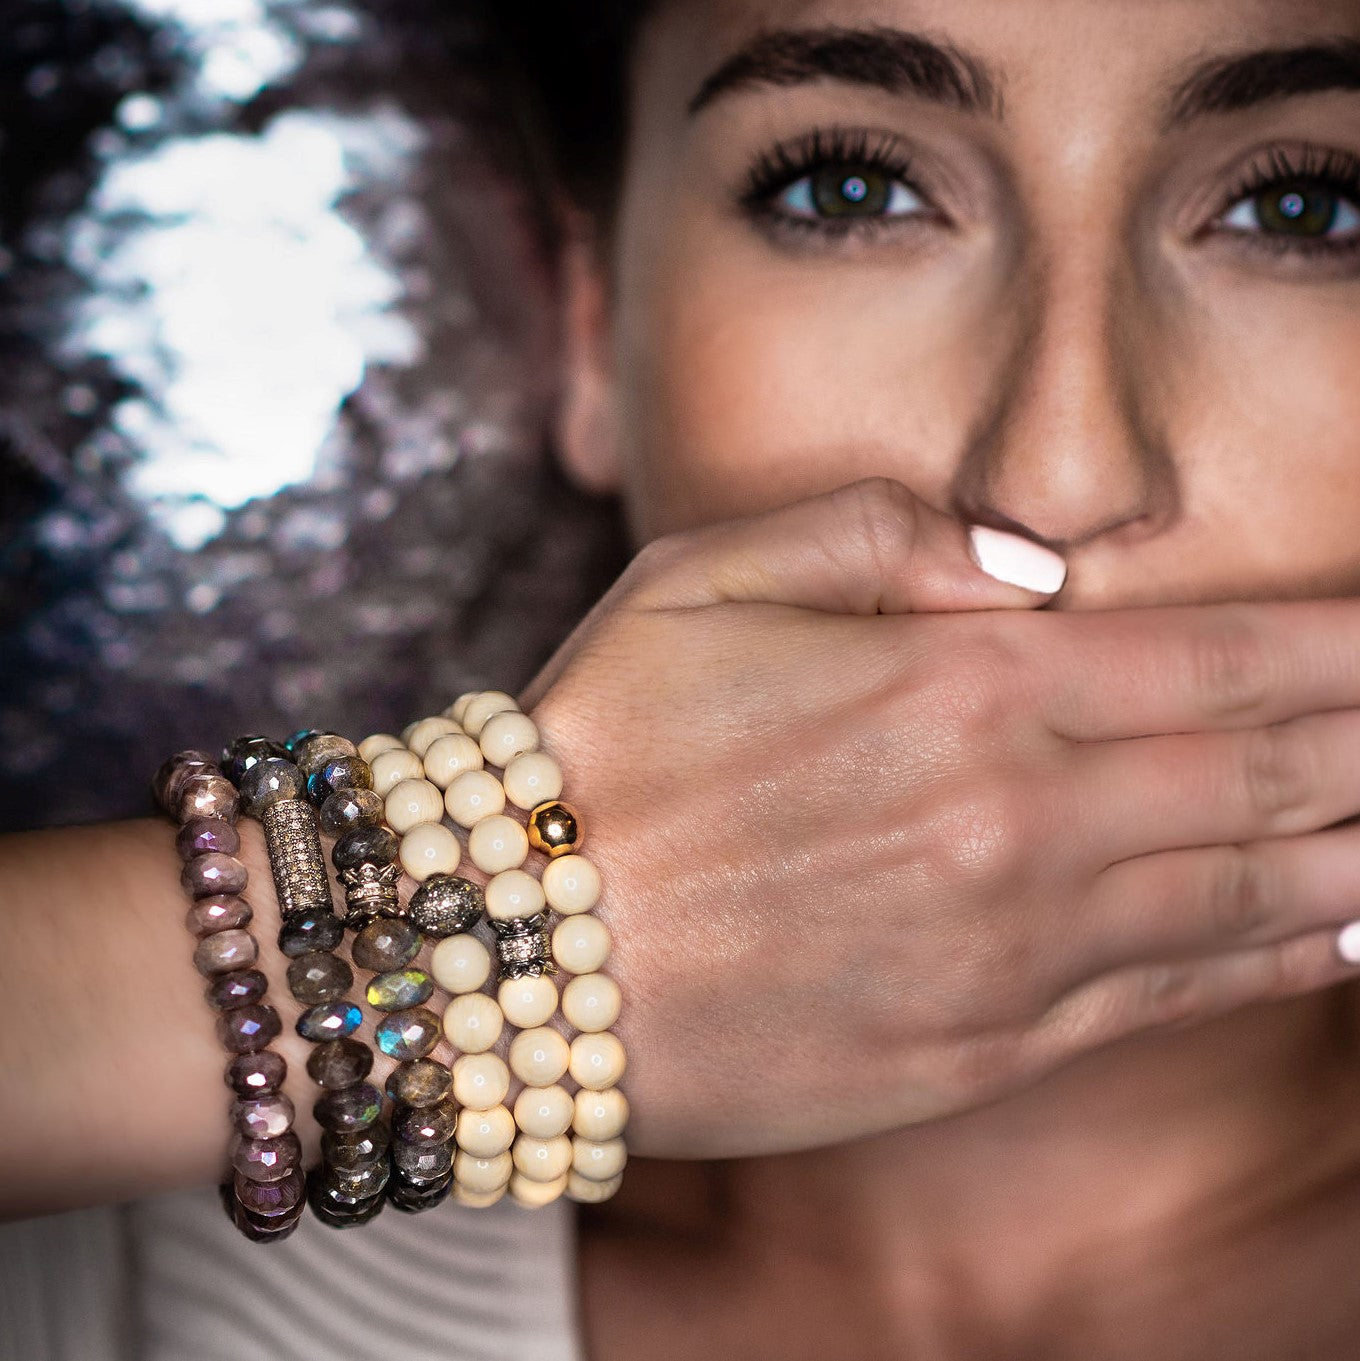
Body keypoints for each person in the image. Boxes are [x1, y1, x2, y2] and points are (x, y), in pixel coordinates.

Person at [6, 0, 1360, 1356]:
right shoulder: (102, 1282)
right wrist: (479, 935)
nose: (1059, 473)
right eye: (851, 188)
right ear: (594, 320)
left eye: (1301, 211)